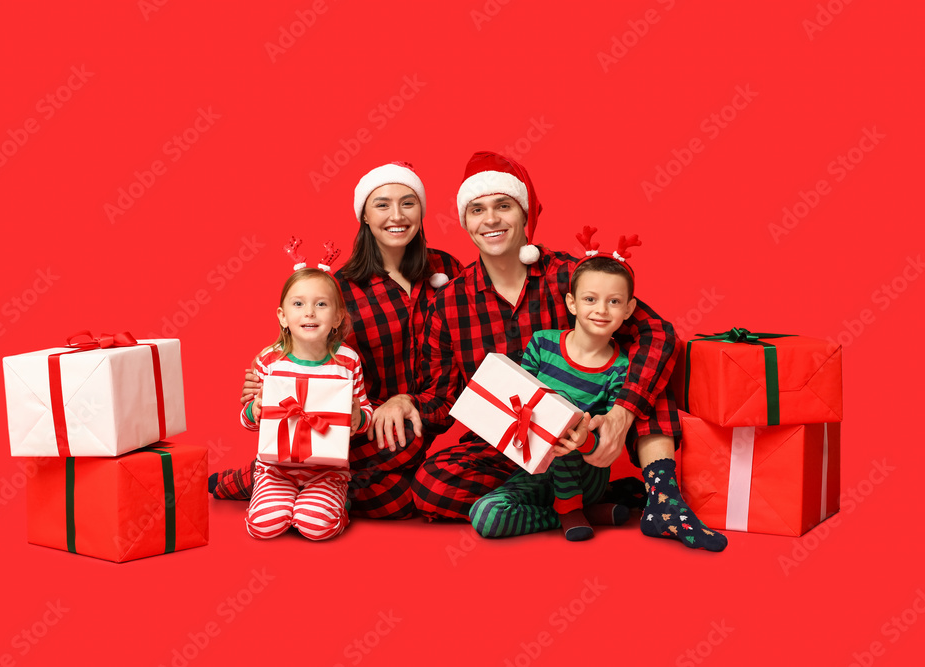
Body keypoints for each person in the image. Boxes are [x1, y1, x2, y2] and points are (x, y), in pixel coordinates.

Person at [374, 150, 725, 551]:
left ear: (524, 214)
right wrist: (405, 401)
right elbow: (441, 394)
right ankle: (577, 507)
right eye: (477, 210)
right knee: (431, 487)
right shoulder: (450, 301)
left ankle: (664, 500)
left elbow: (657, 333)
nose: (490, 219)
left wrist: (620, 414)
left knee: (646, 366)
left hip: (581, 440)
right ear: (465, 222)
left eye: (503, 206)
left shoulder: (569, 276)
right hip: (504, 446)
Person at [212, 161, 463, 519]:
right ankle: (288, 473)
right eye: (382, 204)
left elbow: (463, 346)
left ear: (421, 210)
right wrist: (264, 374)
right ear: (363, 216)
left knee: (409, 445)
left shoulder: (448, 271)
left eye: (408, 202)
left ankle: (280, 474)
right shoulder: (341, 288)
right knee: (401, 494)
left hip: (425, 413)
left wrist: (408, 401)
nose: (397, 215)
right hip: (358, 423)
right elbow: (306, 347)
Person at [241, 265, 372, 541]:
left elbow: (365, 412)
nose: (309, 312)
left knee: (316, 527)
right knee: (264, 526)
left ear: (337, 317)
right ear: (283, 316)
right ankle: (283, 501)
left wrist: (359, 418)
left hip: (328, 471)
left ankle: (336, 508)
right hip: (275, 470)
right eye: (298, 303)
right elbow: (247, 421)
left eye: (321, 304)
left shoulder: (347, 361)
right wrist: (255, 410)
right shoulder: (269, 361)